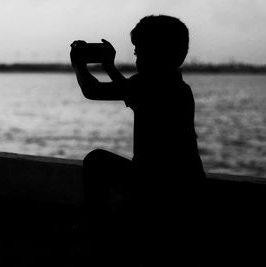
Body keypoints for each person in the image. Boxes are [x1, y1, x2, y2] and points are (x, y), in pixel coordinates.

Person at [70, 15, 206, 266]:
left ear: (157, 52)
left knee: (95, 161)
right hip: (187, 188)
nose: (136, 58)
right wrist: (109, 67)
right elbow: (130, 91)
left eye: (139, 51)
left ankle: (97, 228)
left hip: (154, 189)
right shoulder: (177, 87)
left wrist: (78, 65)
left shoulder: (146, 86)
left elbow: (93, 90)